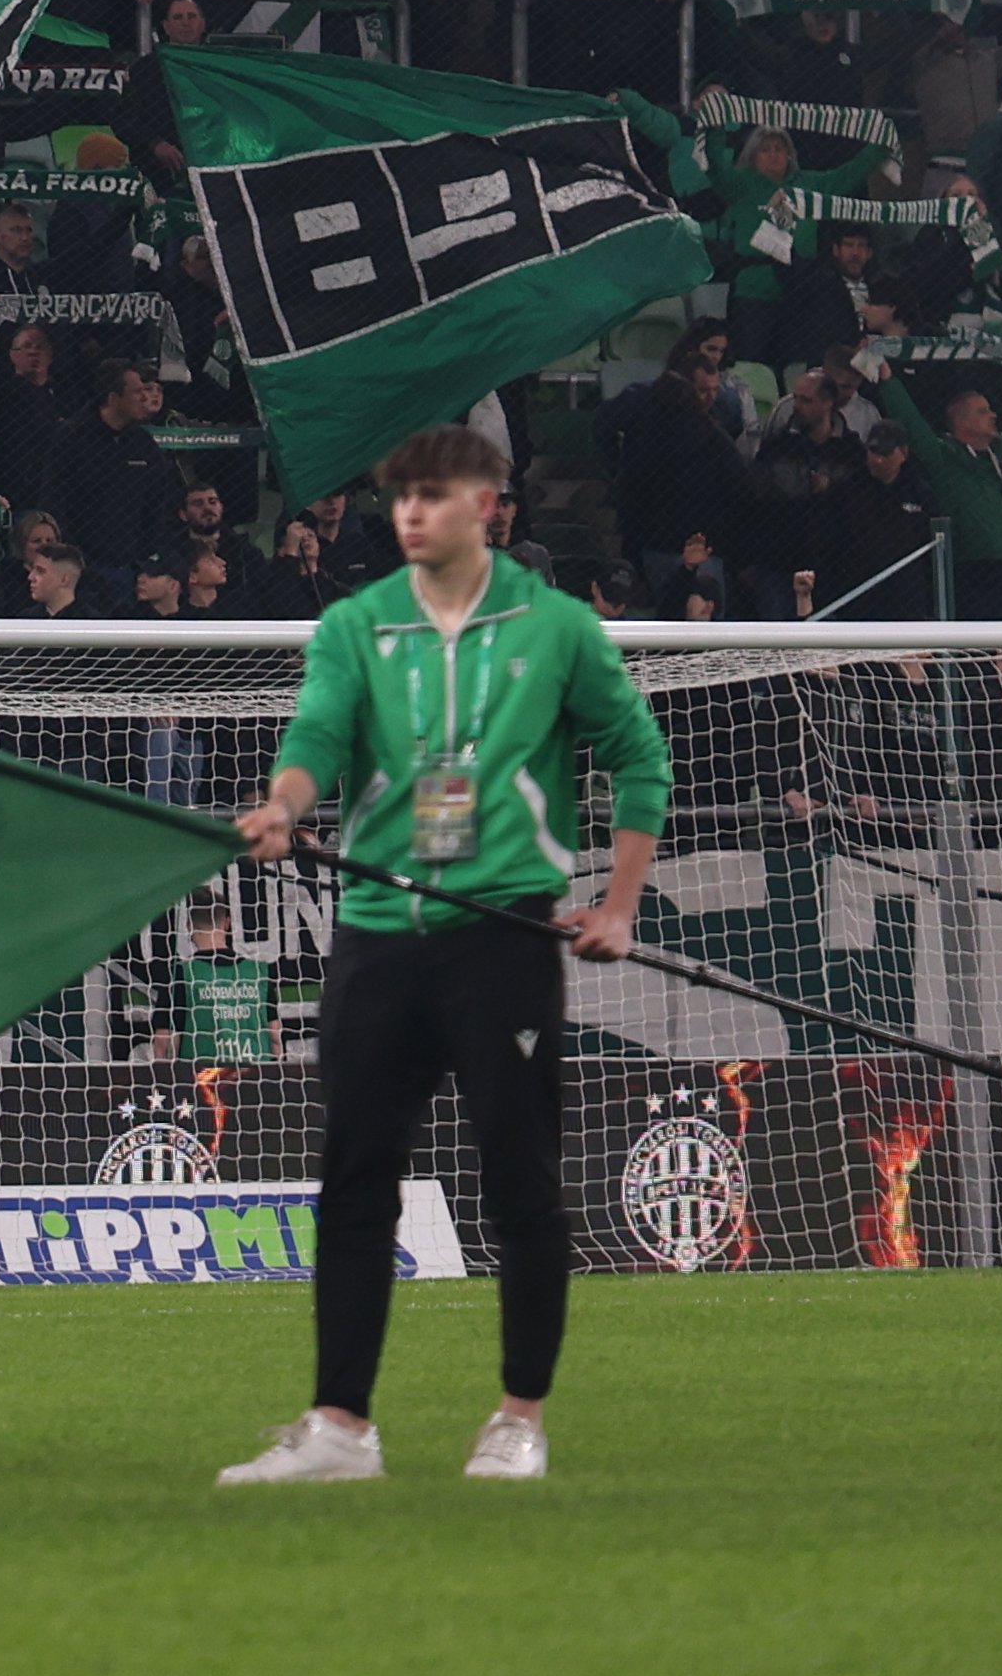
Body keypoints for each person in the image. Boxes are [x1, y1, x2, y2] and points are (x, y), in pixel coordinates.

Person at [221, 414, 670, 1489]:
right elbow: (317, 736)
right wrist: (284, 804)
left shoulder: (558, 627)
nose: (410, 514)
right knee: (354, 1179)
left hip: (502, 938)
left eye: (431, 496)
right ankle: (340, 1426)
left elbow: (638, 757)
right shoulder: (357, 622)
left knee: (521, 1180)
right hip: (378, 939)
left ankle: (519, 1416)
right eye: (401, 498)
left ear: (486, 506)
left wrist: (617, 905)